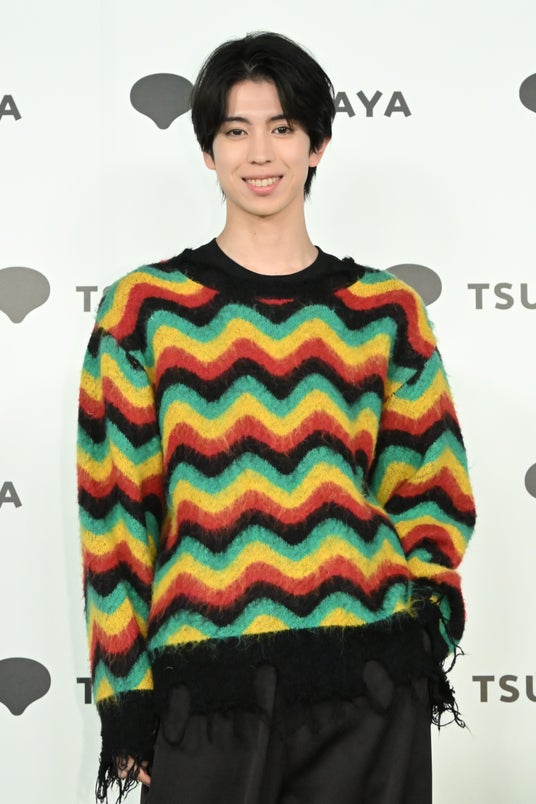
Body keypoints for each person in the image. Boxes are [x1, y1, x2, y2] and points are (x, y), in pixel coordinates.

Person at [77, 31, 476, 804]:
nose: (260, 153)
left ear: (317, 143)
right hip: (208, 689)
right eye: (236, 130)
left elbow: (430, 488)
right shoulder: (145, 311)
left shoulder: (384, 310)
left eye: (282, 127)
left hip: (368, 682)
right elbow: (116, 515)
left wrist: (426, 628)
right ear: (207, 150)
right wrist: (126, 698)